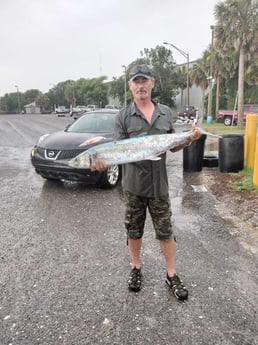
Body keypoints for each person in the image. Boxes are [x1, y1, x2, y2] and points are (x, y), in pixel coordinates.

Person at [92, 64, 202, 300]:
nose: (140, 85)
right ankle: (136, 267)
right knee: (134, 230)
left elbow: (172, 145)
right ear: (130, 85)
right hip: (133, 186)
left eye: (144, 80)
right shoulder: (123, 116)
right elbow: (118, 151)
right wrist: (103, 161)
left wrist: (189, 139)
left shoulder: (164, 113)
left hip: (159, 186)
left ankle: (171, 274)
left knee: (166, 231)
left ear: (152, 83)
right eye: (135, 81)